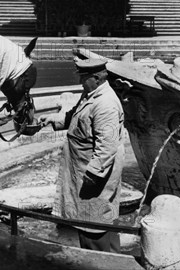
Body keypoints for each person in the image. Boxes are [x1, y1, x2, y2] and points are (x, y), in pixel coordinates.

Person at [40, 57, 124, 253]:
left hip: (92, 179)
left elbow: (107, 146)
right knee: (99, 226)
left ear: (96, 77)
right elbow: (73, 117)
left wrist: (92, 177)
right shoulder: (90, 94)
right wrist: (52, 119)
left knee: (92, 231)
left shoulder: (105, 103)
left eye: (83, 77)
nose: (80, 81)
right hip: (83, 174)